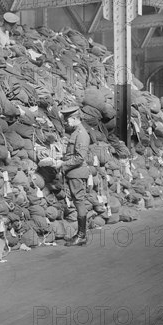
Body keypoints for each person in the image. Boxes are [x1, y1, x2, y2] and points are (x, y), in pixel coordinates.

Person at [53, 105, 90, 247]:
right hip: (73, 173)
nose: (67, 123)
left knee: (79, 201)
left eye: (69, 120)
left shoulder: (81, 134)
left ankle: (81, 236)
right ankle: (80, 235)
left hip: (77, 173)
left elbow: (79, 157)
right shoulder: (76, 132)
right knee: (77, 201)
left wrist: (62, 165)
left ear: (75, 119)